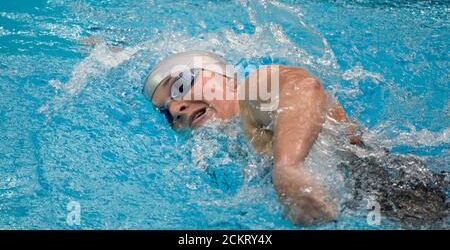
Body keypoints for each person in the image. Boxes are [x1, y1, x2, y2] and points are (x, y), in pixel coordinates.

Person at [143, 50, 448, 227]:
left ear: (224, 77)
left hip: (416, 195)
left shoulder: (251, 93)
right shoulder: (234, 148)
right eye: (166, 113)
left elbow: (302, 87)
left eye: (181, 85)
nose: (175, 107)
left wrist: (288, 168)